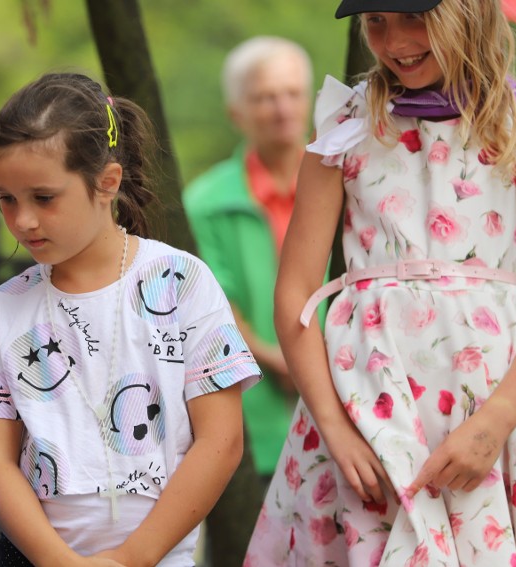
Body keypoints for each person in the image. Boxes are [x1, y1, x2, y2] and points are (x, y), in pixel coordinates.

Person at [245, 0, 516, 564]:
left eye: (413, 17)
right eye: (375, 21)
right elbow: (295, 292)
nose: (394, 40)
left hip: (495, 409)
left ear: (467, 14)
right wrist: (334, 426)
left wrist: (496, 421)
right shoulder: (347, 129)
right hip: (363, 407)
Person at [0, 72, 262, 567]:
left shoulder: (181, 282)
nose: (22, 219)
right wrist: (58, 561)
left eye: (43, 197)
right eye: (6, 198)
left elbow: (221, 442)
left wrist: (132, 558)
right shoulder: (7, 307)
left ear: (106, 182)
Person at [182, 36, 313, 567]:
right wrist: (279, 359)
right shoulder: (207, 202)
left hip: (345, 402)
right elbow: (216, 303)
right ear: (237, 111)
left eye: (292, 93)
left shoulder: (347, 183)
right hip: (250, 416)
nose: (282, 108)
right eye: (265, 97)